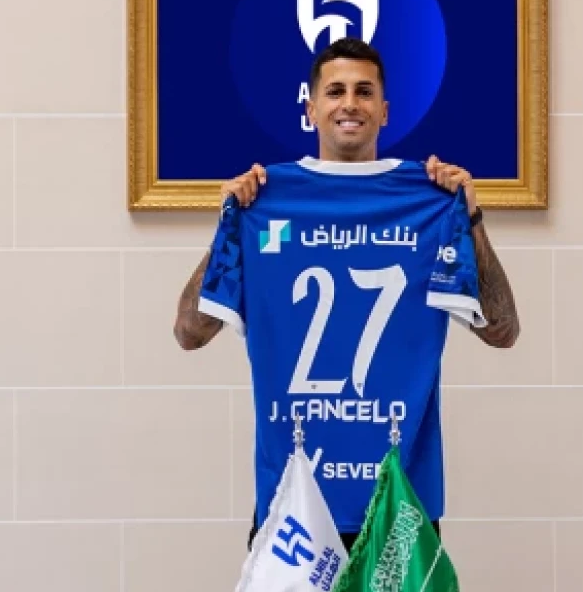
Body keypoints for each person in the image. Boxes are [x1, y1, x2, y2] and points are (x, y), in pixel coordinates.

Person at [172, 37, 521, 554]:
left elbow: (502, 331)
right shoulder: (262, 203)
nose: (350, 103)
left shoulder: (432, 203)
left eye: (364, 91)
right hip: (294, 503)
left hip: (400, 504)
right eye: (335, 91)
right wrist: (227, 228)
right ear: (310, 109)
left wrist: (470, 217)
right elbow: (189, 333)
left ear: (385, 110)